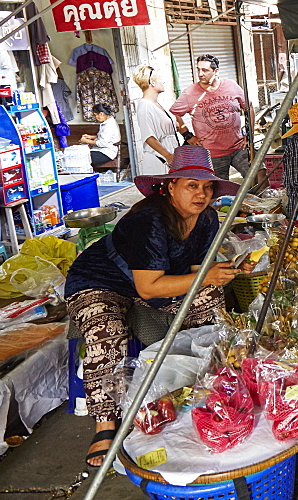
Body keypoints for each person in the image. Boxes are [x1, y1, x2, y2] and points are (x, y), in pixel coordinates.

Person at [65, 146, 241, 466]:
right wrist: (206, 276)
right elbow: (148, 288)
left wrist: (223, 272)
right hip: (100, 281)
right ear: (171, 186)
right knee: (106, 332)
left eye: (207, 187)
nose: (200, 194)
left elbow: (193, 271)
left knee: (210, 303)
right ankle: (105, 424)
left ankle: (209, 383)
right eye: (191, 185)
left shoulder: (208, 218)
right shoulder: (149, 219)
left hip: (155, 281)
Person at [170, 54, 254, 180]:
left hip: (238, 147)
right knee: (219, 190)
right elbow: (175, 113)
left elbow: (249, 107)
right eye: (198, 69)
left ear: (216, 71)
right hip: (212, 154)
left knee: (258, 174)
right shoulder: (189, 93)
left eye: (204, 70)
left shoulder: (231, 85)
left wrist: (249, 135)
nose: (200, 74)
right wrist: (187, 135)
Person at [131, 65, 181, 174]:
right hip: (160, 159)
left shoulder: (156, 104)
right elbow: (148, 136)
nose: (163, 82)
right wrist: (167, 155)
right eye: (160, 79)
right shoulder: (144, 106)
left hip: (170, 155)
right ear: (152, 82)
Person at [81, 103, 120, 168]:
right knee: (81, 154)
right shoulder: (107, 122)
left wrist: (86, 141)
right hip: (102, 150)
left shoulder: (109, 126)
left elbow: (102, 143)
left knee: (81, 158)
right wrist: (90, 137)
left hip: (107, 153)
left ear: (101, 114)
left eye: (95, 115)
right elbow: (104, 136)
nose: (96, 118)